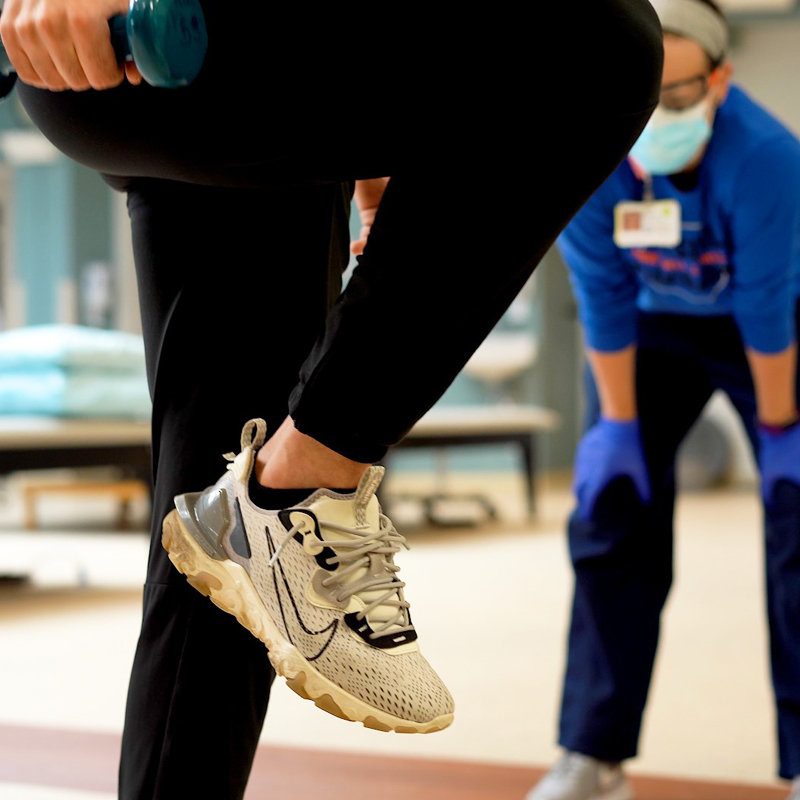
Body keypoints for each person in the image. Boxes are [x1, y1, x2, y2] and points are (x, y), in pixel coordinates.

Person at [0, 1, 663, 797]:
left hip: (258, 84)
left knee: (220, 549)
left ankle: (260, 518)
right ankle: (302, 482)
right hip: (141, 34)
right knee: (599, 41)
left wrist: (386, 160)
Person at [527, 2, 800, 799]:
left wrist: (780, 431)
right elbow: (602, 295)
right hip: (646, 329)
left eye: (678, 96)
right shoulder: (590, 147)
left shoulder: (768, 157)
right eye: (644, 95)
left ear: (720, 80)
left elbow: (767, 301)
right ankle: (592, 755)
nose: (658, 115)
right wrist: (616, 427)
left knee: (798, 520)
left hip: (769, 327)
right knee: (611, 511)